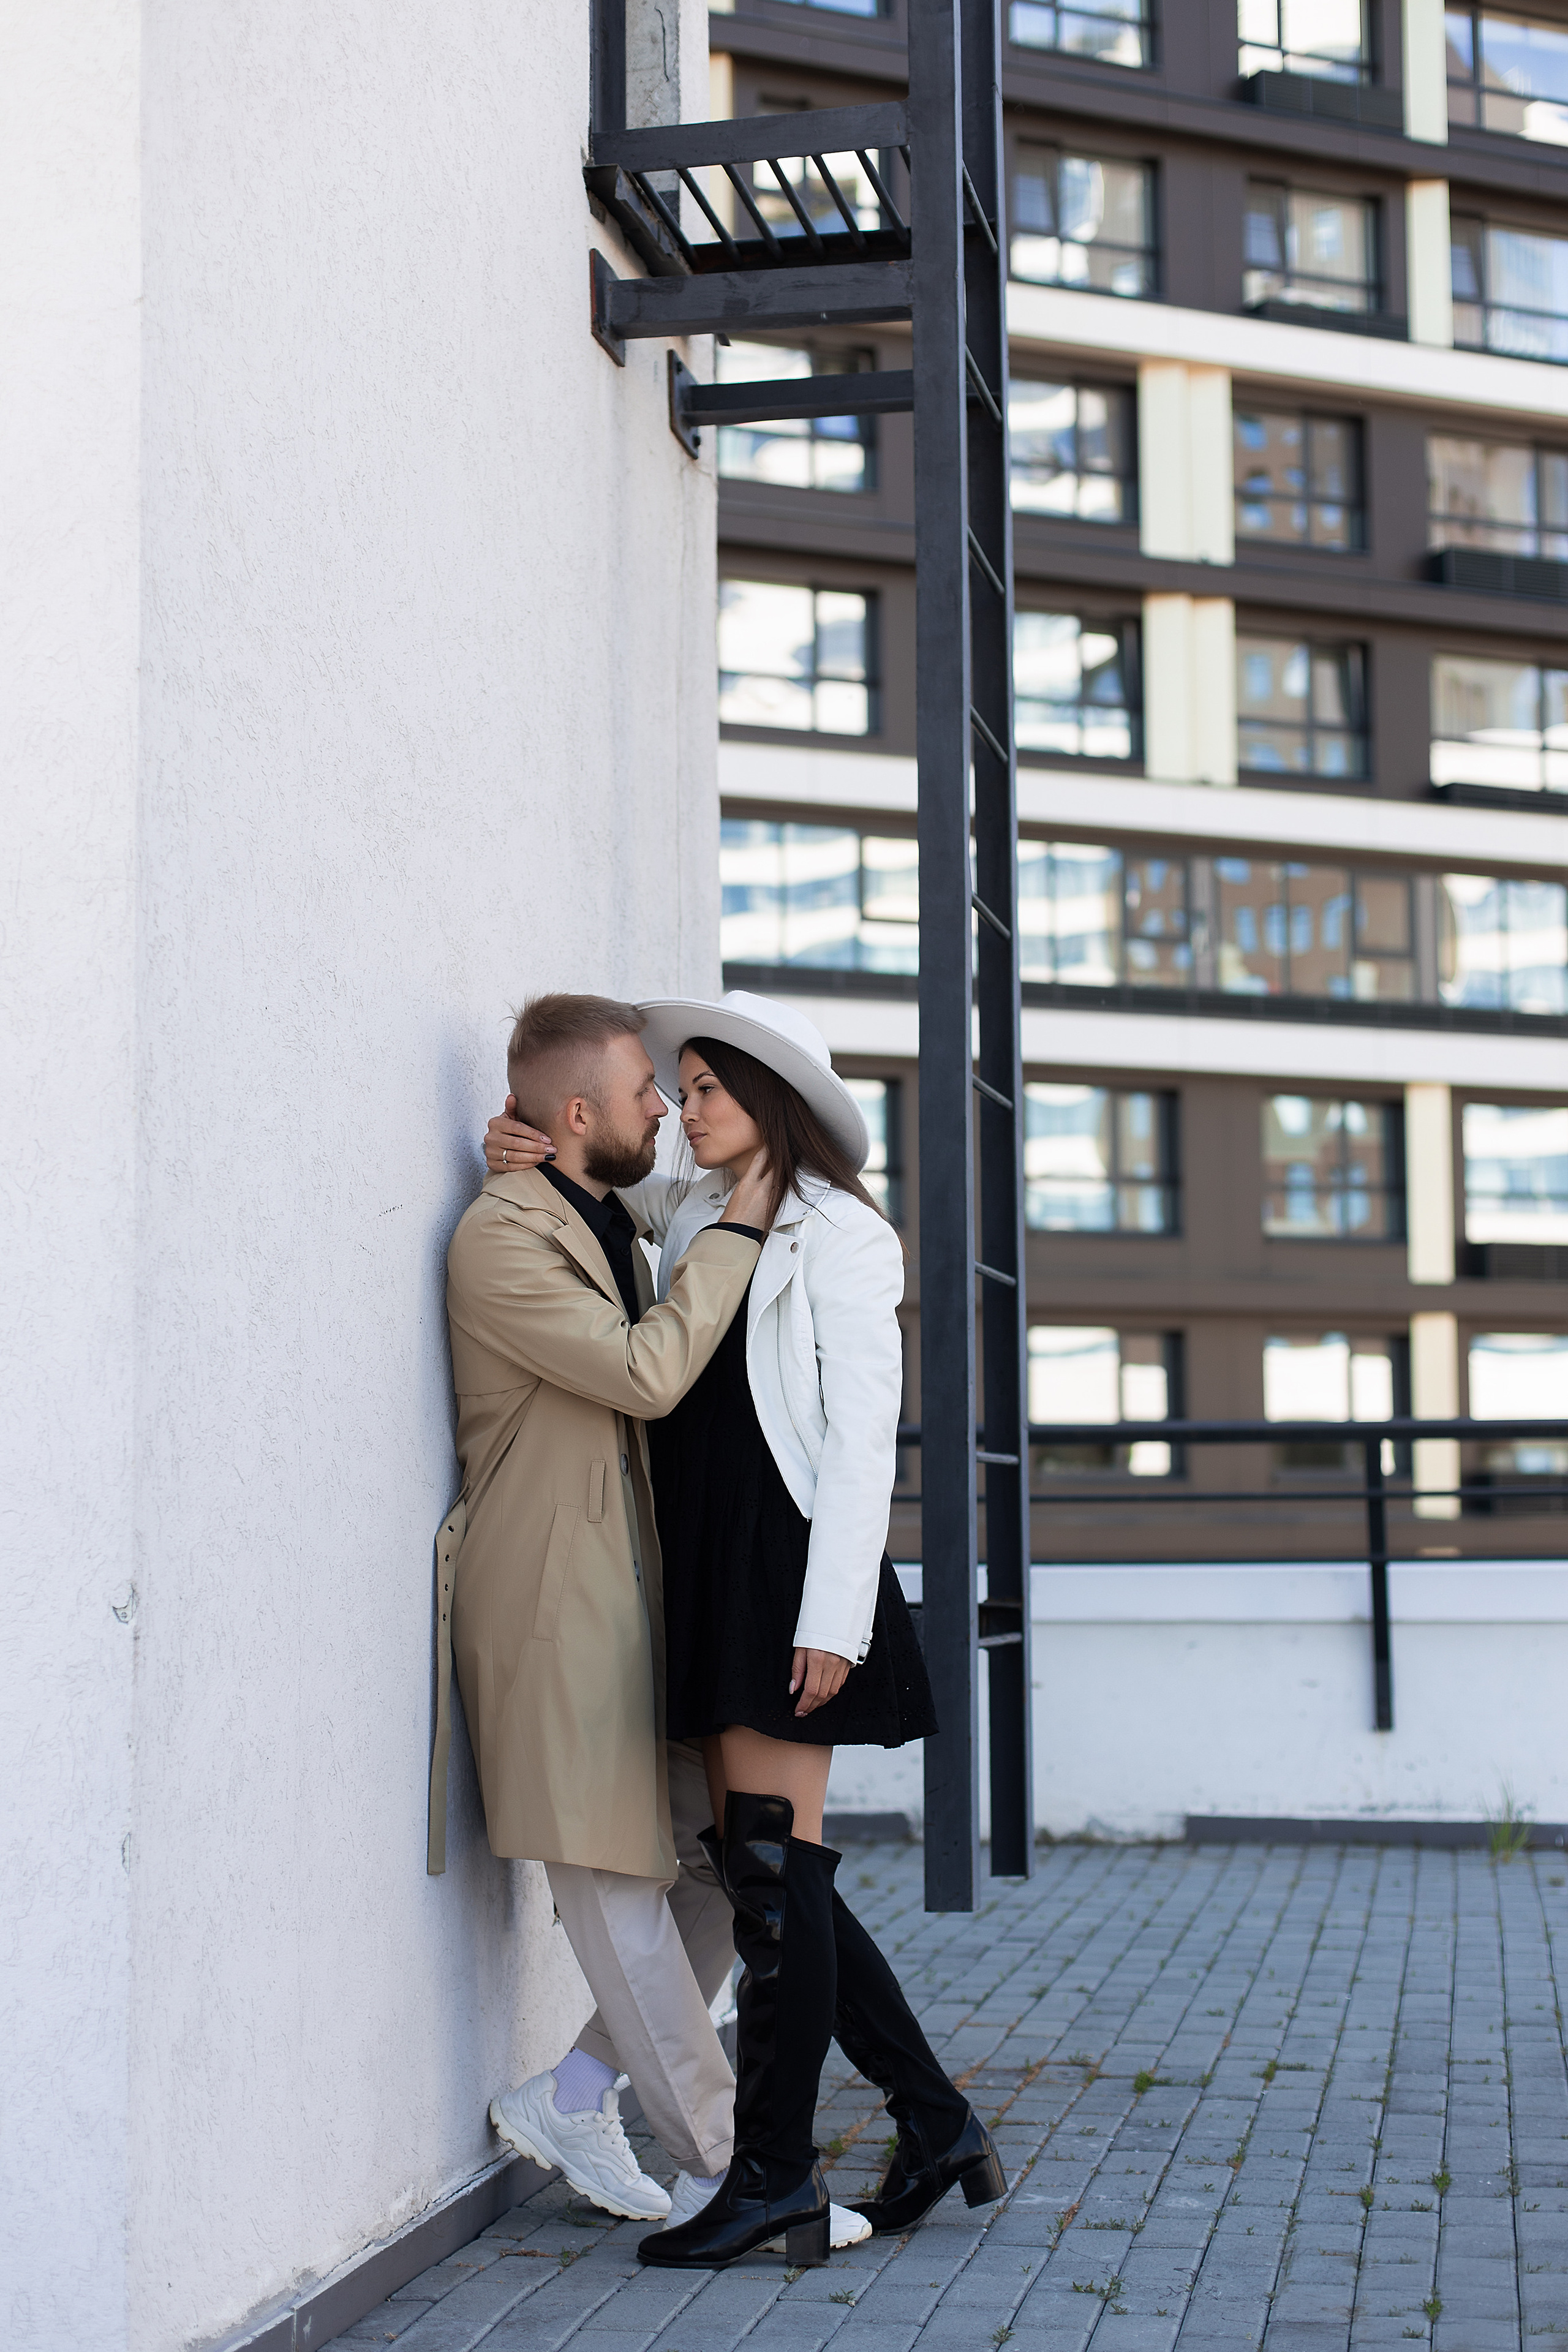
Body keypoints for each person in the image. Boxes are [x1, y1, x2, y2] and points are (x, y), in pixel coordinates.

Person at [482, 989, 1005, 2270]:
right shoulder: (701, 1209)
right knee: (770, 1875)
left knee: (772, 1877)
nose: (680, 1107)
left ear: (764, 1101)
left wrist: (834, 1621)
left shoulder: (842, 1236)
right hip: (708, 1573)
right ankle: (930, 2123)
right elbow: (607, 1201)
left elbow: (855, 1448)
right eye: (676, 1087)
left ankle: (772, 2175)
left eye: (704, 1089)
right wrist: (527, 1147)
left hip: (785, 1580)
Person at [432, 992, 771, 2226]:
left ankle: (574, 2095)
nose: (666, 1114)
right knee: (618, 1893)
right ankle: (732, 2171)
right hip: (551, 1617)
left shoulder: (602, 1211)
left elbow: (639, 1202)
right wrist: (742, 1226)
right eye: (646, 1093)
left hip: (637, 1608)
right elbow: (645, 1371)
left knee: (725, 1869)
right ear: (579, 1112)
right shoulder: (500, 1240)